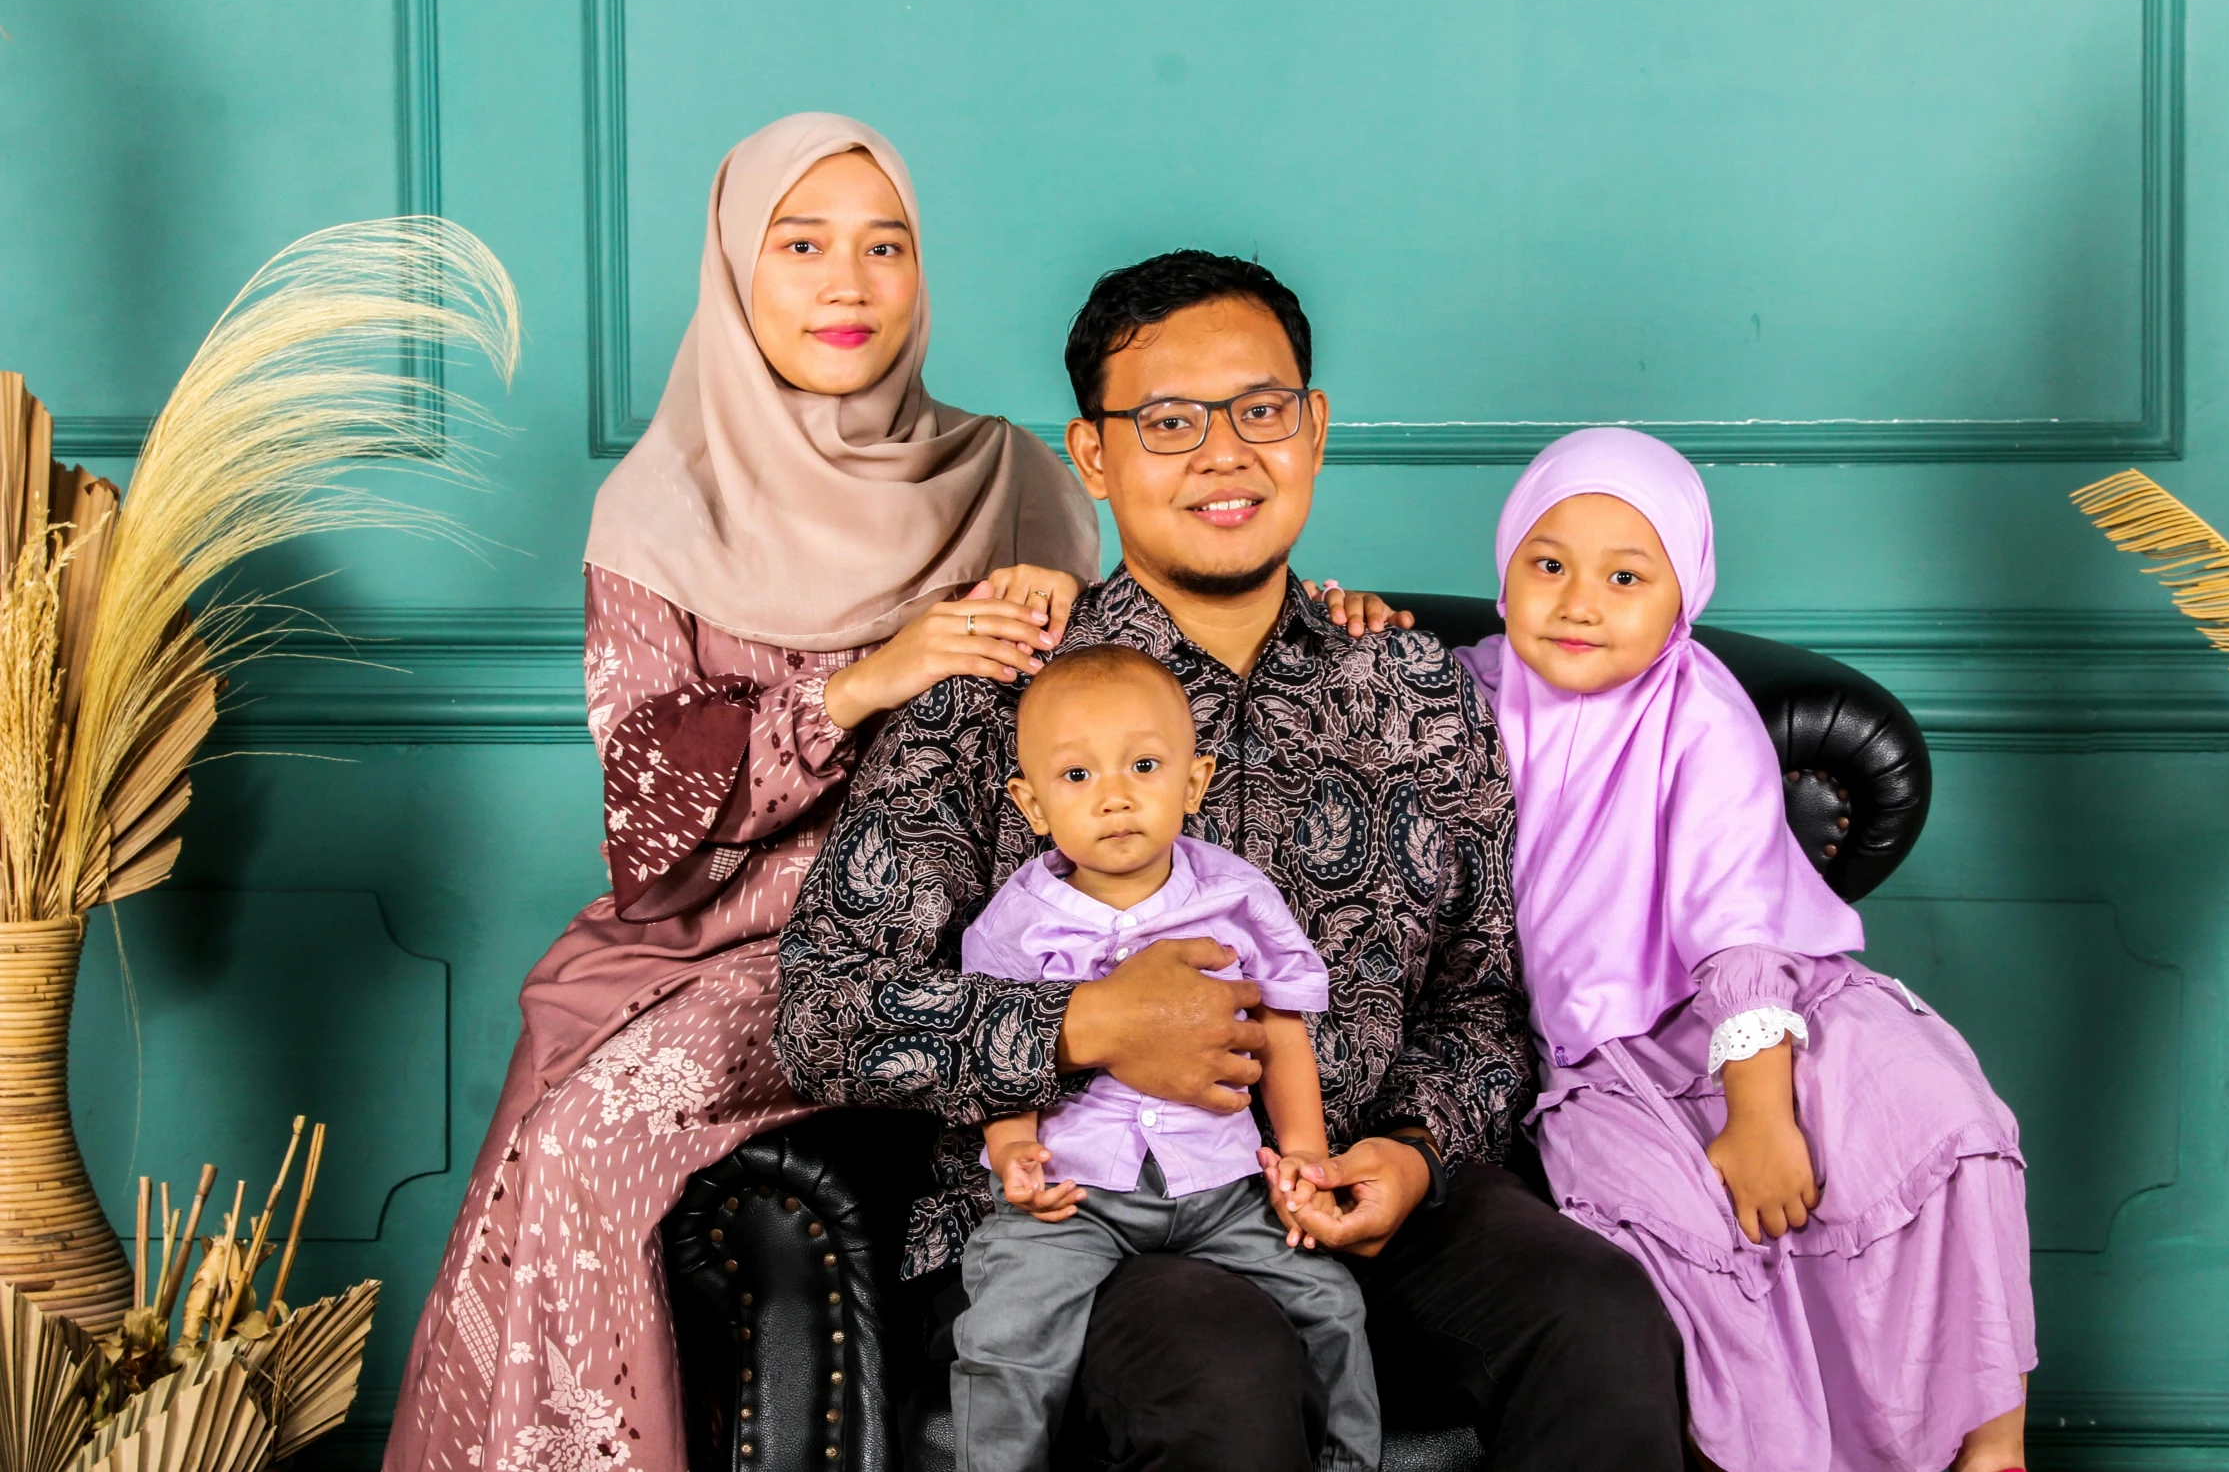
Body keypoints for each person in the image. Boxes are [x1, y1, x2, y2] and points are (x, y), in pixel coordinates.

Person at [778, 250, 1687, 1472]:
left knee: (1599, 1313)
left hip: (1354, 1181)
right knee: (1223, 1353)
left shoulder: (1415, 685)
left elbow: (1485, 998)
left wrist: (1410, 1155)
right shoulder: (992, 696)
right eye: (1166, 422)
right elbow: (821, 1008)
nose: (1223, 454)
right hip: (1083, 1211)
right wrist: (1082, 1024)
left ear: (1311, 429)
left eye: (1260, 411)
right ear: (1092, 456)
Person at [382, 113, 1106, 1472]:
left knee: (605, 1125)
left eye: (883, 246)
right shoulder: (656, 507)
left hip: (933, 946)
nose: (847, 284)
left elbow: (1102, 738)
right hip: (722, 942)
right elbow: (648, 805)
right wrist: (864, 678)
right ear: (734, 270)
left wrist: (1058, 608)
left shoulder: (1012, 479)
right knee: (587, 1124)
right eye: (802, 245)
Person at [1457, 427, 2033, 1472]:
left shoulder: (1700, 711)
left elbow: (1733, 921)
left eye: (1624, 576)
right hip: (1605, 1058)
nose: (1578, 601)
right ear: (1504, 569)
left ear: (1679, 599)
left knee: (1932, 1114)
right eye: (1547, 565)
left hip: (1764, 998)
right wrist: (1344, 615)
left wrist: (1759, 1108)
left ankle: (1992, 1445)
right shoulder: (1462, 694)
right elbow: (1322, 669)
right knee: (1667, 1229)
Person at [953, 643, 1379, 1472]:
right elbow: (996, 1037)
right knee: (1004, 1333)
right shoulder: (1016, 919)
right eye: (1077, 778)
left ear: (1193, 782)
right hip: (1078, 1193)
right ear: (1031, 802)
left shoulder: (1237, 895)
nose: (1115, 796)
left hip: (1222, 1186)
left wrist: (1303, 1155)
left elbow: (1282, 1023)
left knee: (1333, 1308)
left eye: (1144, 765)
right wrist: (1010, 1146)